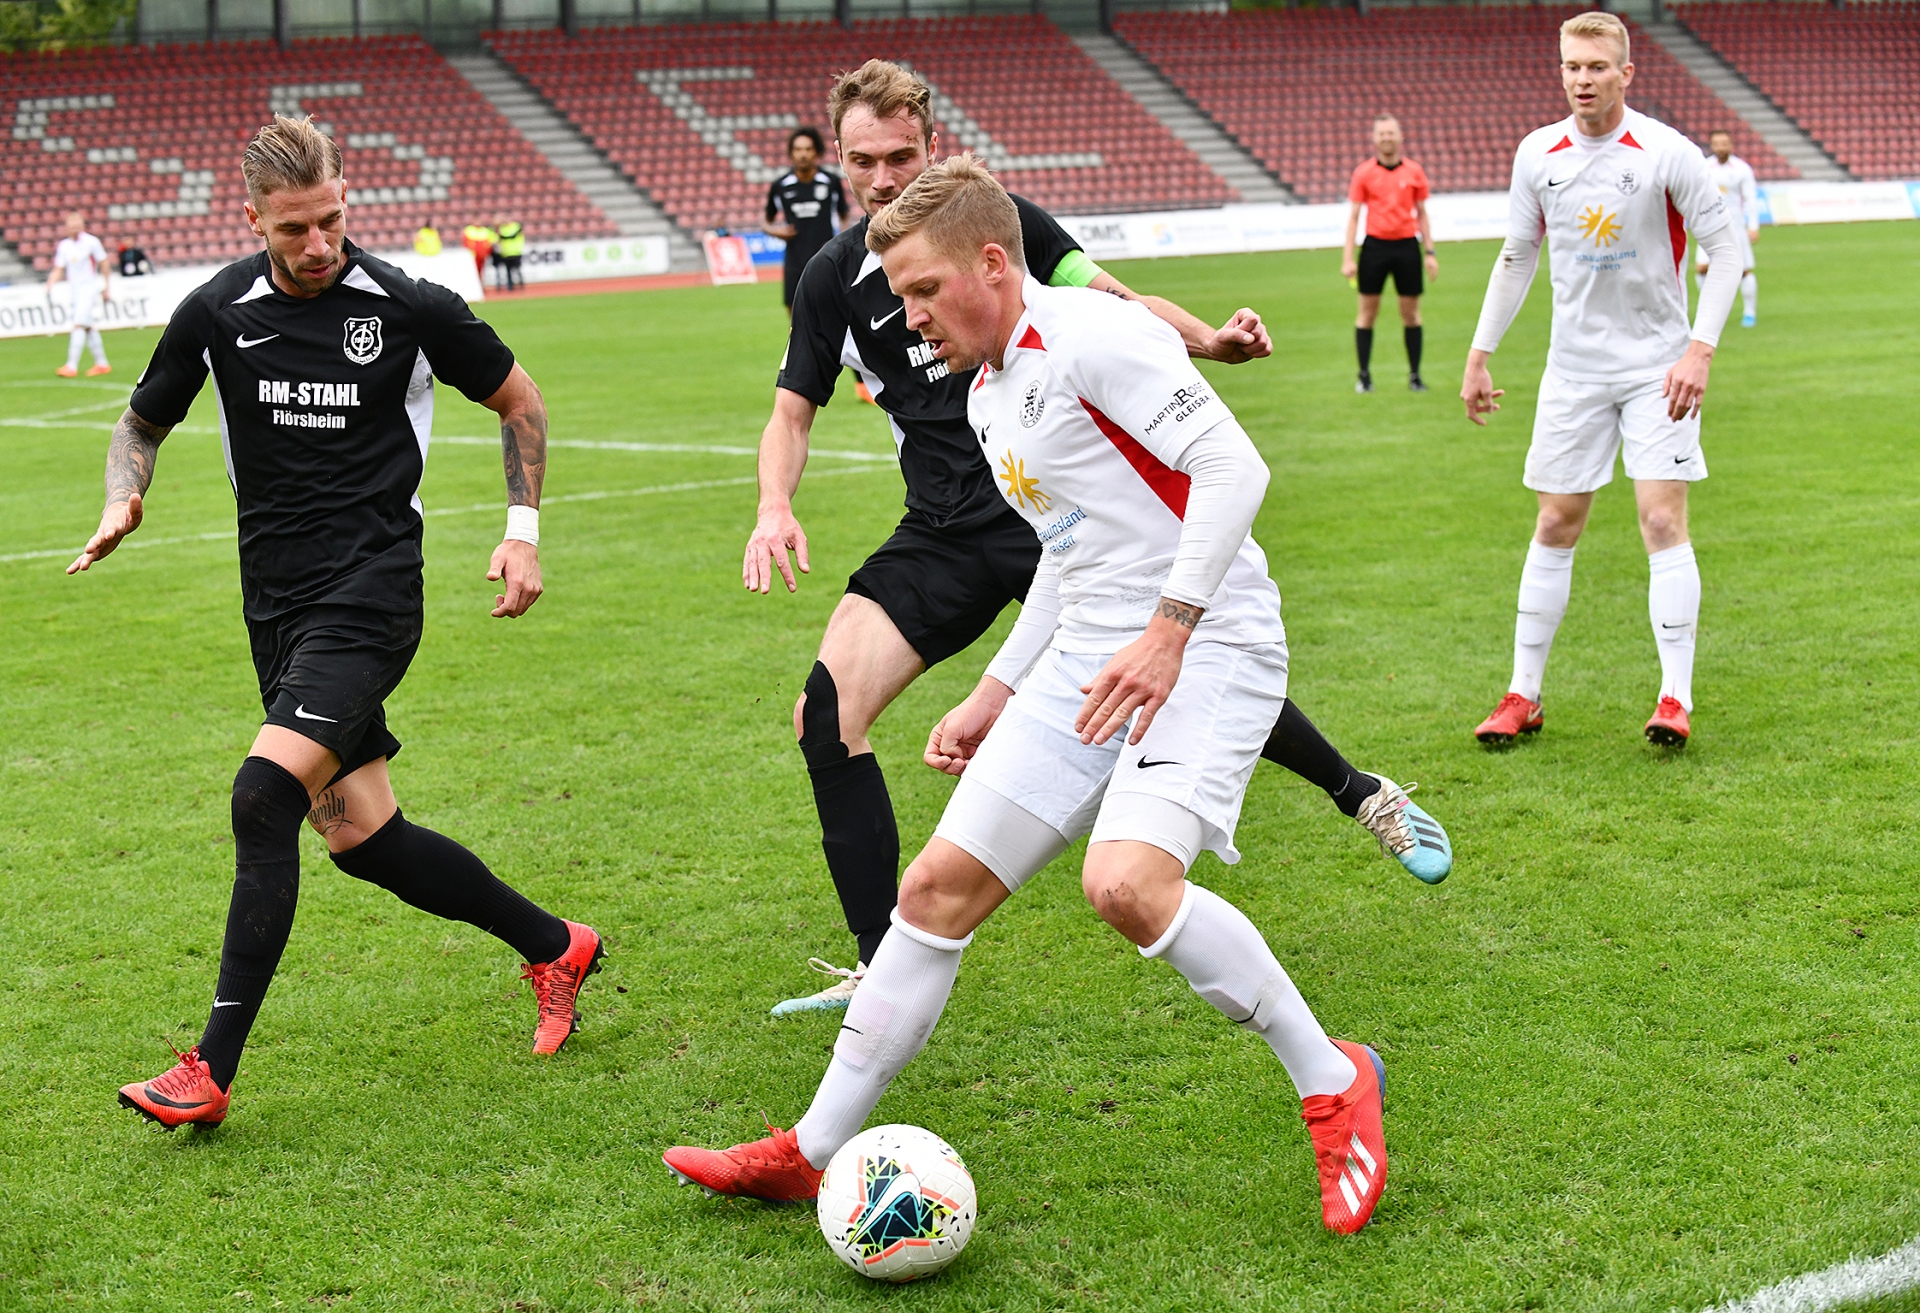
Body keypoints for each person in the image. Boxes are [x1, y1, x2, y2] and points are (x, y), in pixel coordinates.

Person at [666, 156, 1390, 1235]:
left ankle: (1335, 1078)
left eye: (924, 290)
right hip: (1089, 654)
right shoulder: (988, 389)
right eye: (899, 296)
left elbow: (1234, 468)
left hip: (1209, 643)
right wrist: (997, 688)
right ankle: (809, 1152)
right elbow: (1067, 546)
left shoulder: (1097, 335)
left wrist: (1167, 630)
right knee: (933, 893)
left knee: (1127, 884)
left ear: (994, 263)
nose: (910, 319)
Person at [751, 60, 1451, 1018]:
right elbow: (791, 411)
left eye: (901, 156)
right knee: (824, 713)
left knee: (1168, 669)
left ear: (933, 146)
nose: (883, 178)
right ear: (838, 157)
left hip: (1059, 516)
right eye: (863, 160)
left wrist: (1208, 340)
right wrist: (773, 505)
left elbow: (1113, 300)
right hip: (943, 529)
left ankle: (1358, 789)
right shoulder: (832, 278)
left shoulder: (1002, 225)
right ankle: (883, 962)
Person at [75, 116, 603, 1131]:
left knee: (262, 797)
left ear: (346, 197)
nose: (318, 244)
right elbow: (143, 418)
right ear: (254, 220)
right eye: (293, 229)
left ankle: (209, 1070)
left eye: (330, 220)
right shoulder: (217, 310)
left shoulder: (408, 305)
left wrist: (522, 531)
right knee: (363, 835)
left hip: (371, 597)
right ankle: (556, 944)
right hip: (275, 607)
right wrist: (121, 493)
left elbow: (520, 400)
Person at [1461, 12, 1741, 750]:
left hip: (1659, 369)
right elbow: (1517, 256)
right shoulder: (1537, 154)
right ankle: (1523, 695)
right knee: (1556, 522)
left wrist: (1699, 352)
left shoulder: (1666, 151)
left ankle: (1675, 698)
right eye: (1571, 67)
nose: (1582, 80)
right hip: (1574, 372)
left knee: (1661, 520)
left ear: (1625, 73)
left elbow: (1727, 250)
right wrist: (1480, 353)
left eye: (1595, 67)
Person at [1340, 116, 1437, 394]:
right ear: (1374, 138)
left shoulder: (1414, 171)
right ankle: (1364, 376)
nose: (1386, 138)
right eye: (1382, 133)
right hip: (1375, 248)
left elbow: (1422, 214)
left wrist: (1429, 252)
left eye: (1391, 133)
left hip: (1407, 246)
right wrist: (1348, 258)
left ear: (1400, 136)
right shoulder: (1364, 173)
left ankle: (1415, 376)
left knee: (1411, 314)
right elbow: (1354, 216)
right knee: (1367, 314)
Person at [763, 127, 849, 317]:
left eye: (808, 149)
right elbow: (766, 220)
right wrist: (775, 231)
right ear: (791, 153)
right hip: (795, 259)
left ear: (816, 152)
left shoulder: (831, 182)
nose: (803, 154)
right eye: (798, 149)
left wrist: (840, 241)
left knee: (830, 309)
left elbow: (844, 214)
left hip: (825, 257)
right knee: (794, 310)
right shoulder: (781, 185)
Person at [1697, 129, 1759, 328]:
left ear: (1731, 145)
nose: (1721, 148)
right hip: (1708, 225)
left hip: (1735, 226)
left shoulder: (1741, 169)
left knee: (1743, 270)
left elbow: (1750, 199)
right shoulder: (1704, 167)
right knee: (1701, 268)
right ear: (1712, 146)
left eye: (1724, 143)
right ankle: (1710, 312)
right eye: (1717, 144)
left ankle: (1749, 313)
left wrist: (1753, 226)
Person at [48, 210, 111, 378]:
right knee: (88, 327)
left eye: (77, 225)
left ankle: (71, 366)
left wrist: (106, 287)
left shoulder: (91, 242)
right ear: (67, 227)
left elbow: (104, 263)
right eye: (71, 225)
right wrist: (51, 282)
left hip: (88, 289)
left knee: (78, 325)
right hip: (75, 291)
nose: (74, 228)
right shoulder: (64, 246)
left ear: (82, 226)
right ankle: (102, 364)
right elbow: (59, 267)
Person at [494, 217, 526, 292]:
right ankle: (511, 286)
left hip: (515, 252)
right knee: (509, 271)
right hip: (506, 253)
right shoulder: (503, 229)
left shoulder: (515, 227)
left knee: (517, 270)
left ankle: (520, 285)